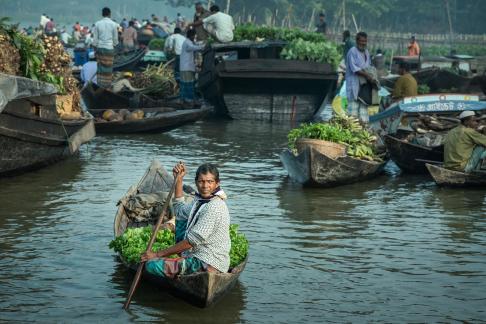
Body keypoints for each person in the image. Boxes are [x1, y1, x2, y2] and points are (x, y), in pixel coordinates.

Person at [141, 162, 231, 278]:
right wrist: (179, 180)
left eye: (210, 182)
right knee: (182, 220)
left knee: (150, 265)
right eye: (201, 181)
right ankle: (182, 259)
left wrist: (157, 254)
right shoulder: (200, 201)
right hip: (197, 255)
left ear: (217, 183)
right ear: (196, 182)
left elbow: (191, 241)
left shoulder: (214, 206)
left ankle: (198, 269)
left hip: (207, 261)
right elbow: (179, 211)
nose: (205, 186)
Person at [345, 31, 375, 123]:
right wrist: (368, 76)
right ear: (357, 41)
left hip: (364, 88)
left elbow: (369, 67)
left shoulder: (366, 52)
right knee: (353, 112)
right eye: (362, 41)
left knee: (363, 112)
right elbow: (355, 69)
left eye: (365, 41)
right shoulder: (352, 52)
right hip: (354, 85)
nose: (363, 43)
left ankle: (364, 131)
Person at [92, 7, 119, 88]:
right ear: (110, 14)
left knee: (100, 67)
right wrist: (113, 46)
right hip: (109, 48)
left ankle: (100, 85)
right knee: (109, 67)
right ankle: (107, 85)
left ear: (102, 14)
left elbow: (95, 41)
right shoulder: (114, 24)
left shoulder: (97, 24)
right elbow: (115, 40)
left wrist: (95, 50)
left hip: (100, 48)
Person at [179, 29, 205, 106]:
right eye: (194, 35)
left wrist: (200, 44)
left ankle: (185, 99)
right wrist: (203, 46)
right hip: (186, 67)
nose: (195, 37)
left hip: (187, 67)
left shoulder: (188, 42)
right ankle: (188, 100)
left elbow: (195, 45)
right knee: (188, 84)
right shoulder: (187, 43)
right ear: (191, 35)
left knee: (186, 84)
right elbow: (194, 47)